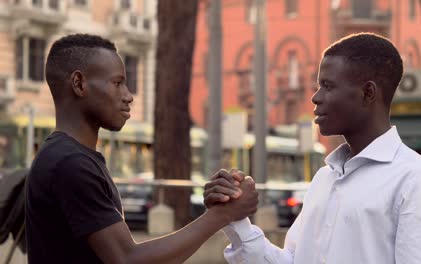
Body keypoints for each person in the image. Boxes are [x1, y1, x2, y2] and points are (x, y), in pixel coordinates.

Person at [203, 32, 421, 263]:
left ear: (368, 93)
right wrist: (235, 219)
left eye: (328, 86)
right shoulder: (325, 178)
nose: (315, 97)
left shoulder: (418, 181)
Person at [25, 33, 258, 264]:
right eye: (117, 83)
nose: (128, 96)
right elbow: (128, 259)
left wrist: (217, 212)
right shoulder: (70, 163)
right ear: (79, 84)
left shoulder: (70, 156)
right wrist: (222, 215)